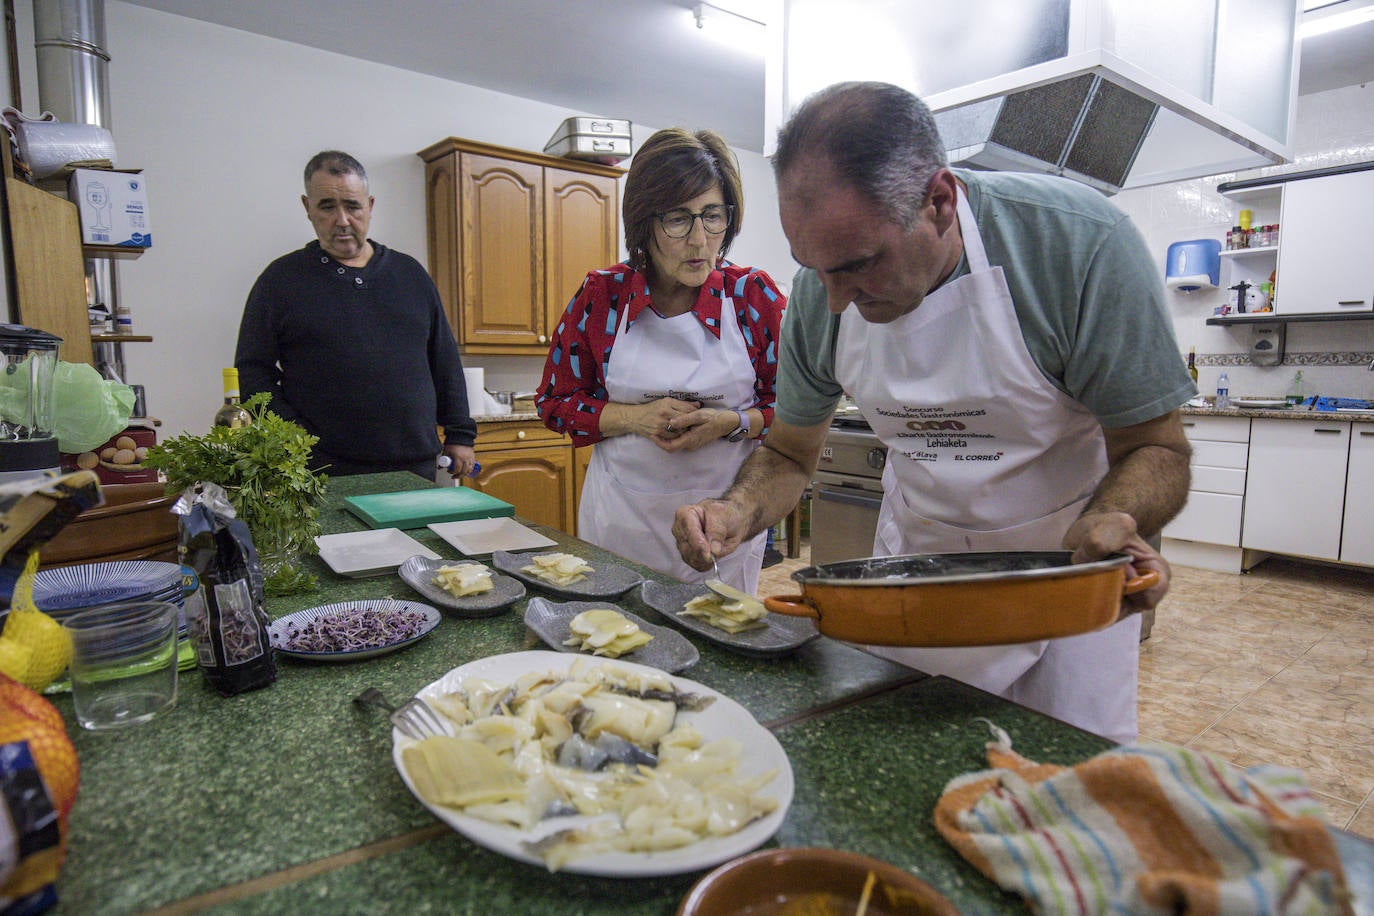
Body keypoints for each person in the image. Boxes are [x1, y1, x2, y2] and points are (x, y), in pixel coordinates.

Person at [673, 82, 1196, 744]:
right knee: (911, 764)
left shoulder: (1077, 246)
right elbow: (789, 455)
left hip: (1064, 583)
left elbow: (1157, 448)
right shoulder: (820, 294)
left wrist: (1114, 519)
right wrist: (735, 511)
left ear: (940, 202)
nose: (833, 301)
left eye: (858, 266)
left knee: (1062, 777)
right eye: (814, 269)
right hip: (916, 582)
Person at [536, 128, 786, 594]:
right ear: (643, 222)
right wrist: (634, 418)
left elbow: (793, 412)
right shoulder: (603, 296)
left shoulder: (752, 297)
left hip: (722, 534)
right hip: (620, 527)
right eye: (677, 219)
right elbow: (554, 403)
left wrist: (732, 423)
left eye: (713, 216)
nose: (700, 241)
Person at [235, 150, 477, 480]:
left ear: (370, 205)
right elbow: (252, 372)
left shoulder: (410, 274)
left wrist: (460, 434)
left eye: (352, 206)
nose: (342, 220)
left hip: (415, 465)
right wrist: (291, 433)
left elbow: (444, 360)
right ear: (307, 208)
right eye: (327, 207)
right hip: (321, 470)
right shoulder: (280, 280)